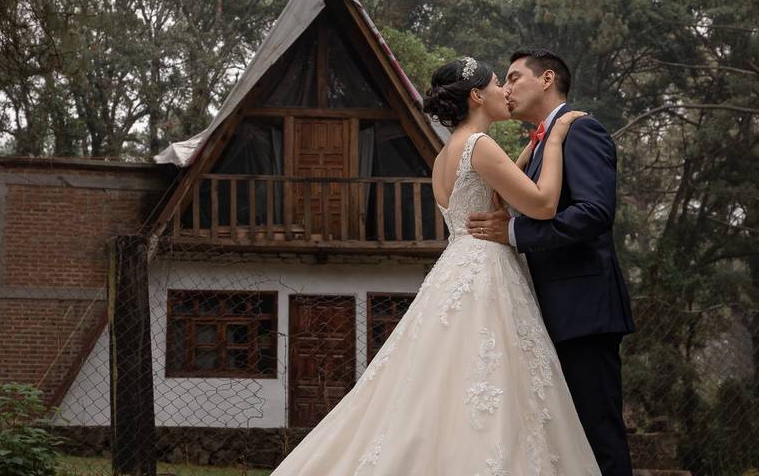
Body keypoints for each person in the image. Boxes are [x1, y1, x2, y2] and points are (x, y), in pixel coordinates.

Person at [270, 56, 601, 475]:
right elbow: (541, 202)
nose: (507, 92)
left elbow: (496, 192)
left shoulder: (448, 154)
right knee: (486, 378)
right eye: (500, 84)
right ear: (478, 96)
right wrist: (553, 140)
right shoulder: (481, 146)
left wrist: (532, 145)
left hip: (456, 266)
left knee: (441, 383)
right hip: (486, 271)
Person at [466, 49, 635, 476]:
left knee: (598, 435)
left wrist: (515, 233)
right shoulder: (542, 142)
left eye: (513, 77)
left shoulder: (581, 131)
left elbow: (595, 212)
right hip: (547, 312)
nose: (505, 88)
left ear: (546, 79)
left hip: (584, 312)